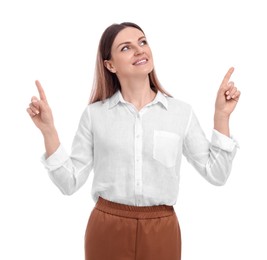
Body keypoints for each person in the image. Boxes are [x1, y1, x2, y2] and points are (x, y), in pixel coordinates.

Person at [26, 22, 241, 260]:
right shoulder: (95, 115)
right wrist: (48, 131)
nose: (139, 50)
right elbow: (70, 183)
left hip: (162, 230)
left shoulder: (181, 113)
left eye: (142, 42)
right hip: (107, 229)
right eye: (126, 48)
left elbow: (217, 174)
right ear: (110, 65)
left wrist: (221, 116)